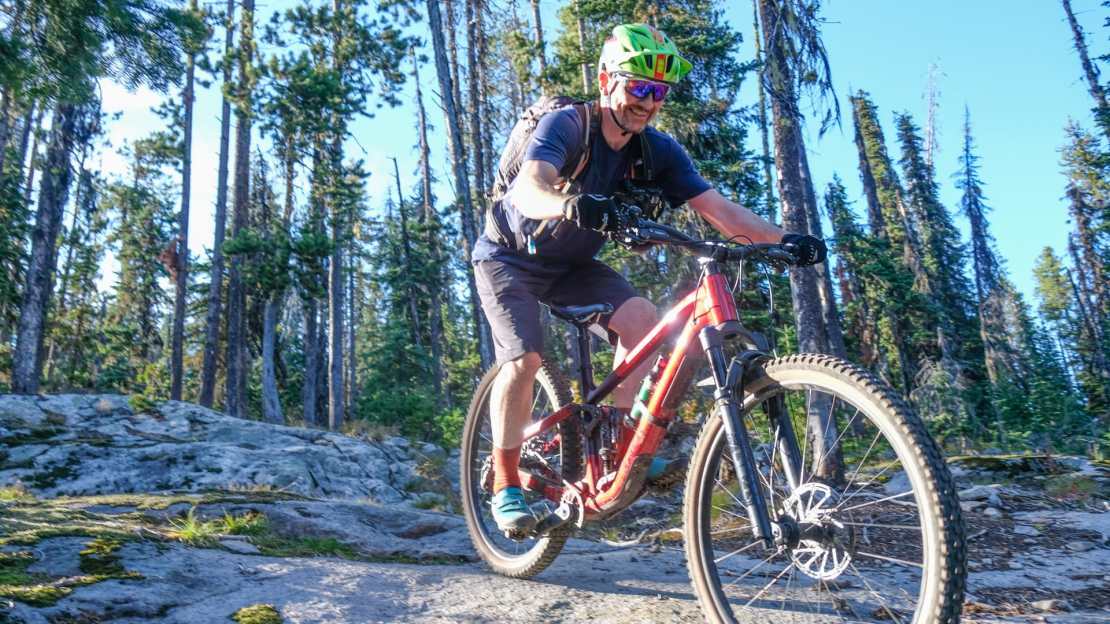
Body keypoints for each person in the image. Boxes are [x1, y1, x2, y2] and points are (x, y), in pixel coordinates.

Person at [472, 23, 827, 534]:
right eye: (637, 86)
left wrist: (786, 240)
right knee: (524, 357)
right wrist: (568, 202)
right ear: (605, 80)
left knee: (644, 322)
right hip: (510, 258)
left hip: (574, 267)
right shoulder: (567, 126)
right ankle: (506, 482)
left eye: (658, 91)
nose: (647, 101)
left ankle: (620, 444)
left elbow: (719, 211)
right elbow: (528, 190)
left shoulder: (656, 151)